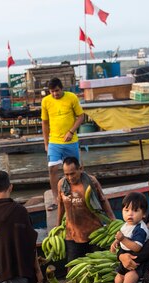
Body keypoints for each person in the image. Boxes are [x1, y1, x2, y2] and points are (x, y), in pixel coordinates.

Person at [57, 157, 114, 262]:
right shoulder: (61, 184)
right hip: (72, 233)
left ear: (81, 169)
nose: (69, 178)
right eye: (66, 174)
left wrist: (112, 220)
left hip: (93, 232)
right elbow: (60, 206)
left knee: (96, 264)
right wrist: (58, 226)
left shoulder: (91, 182)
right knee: (73, 266)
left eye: (72, 173)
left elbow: (103, 201)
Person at [41, 78, 85, 206]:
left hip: (71, 142)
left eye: (57, 91)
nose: (55, 94)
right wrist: (46, 143)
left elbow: (81, 116)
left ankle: (77, 194)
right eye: (52, 92)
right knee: (52, 169)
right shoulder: (46, 101)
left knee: (74, 170)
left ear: (62, 88)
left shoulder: (71, 97)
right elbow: (45, 122)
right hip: (54, 142)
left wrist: (71, 131)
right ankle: (56, 198)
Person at [110, 192, 149, 283]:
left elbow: (137, 247)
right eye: (126, 210)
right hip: (125, 259)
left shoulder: (140, 229)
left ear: (143, 214)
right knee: (118, 280)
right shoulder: (126, 225)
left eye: (135, 210)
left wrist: (122, 240)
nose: (130, 214)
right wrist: (115, 242)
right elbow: (122, 234)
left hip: (136, 263)